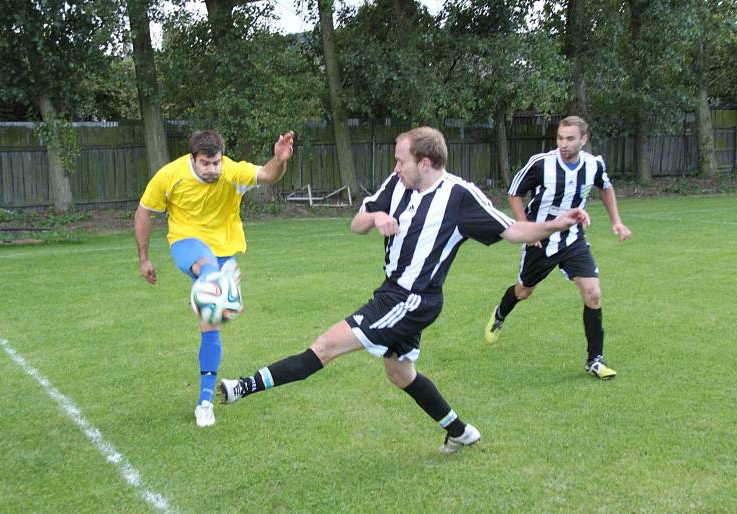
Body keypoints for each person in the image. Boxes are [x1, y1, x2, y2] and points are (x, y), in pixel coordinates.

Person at [217, 127, 590, 453]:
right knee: (399, 373)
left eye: (401, 160)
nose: (396, 167)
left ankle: (242, 387)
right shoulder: (398, 183)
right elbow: (356, 224)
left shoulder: (460, 197)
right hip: (393, 291)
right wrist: (377, 216)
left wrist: (557, 224)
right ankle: (461, 432)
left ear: (425, 162)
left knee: (326, 346)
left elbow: (514, 231)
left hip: (412, 300)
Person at [134, 129, 295, 428]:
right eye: (206, 164)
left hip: (224, 248)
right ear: (192, 159)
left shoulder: (231, 172)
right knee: (208, 270)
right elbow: (144, 212)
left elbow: (268, 175)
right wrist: (144, 258)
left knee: (211, 328)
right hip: (187, 242)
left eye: (216, 163)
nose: (212, 169)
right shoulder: (170, 176)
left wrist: (279, 159)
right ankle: (215, 288)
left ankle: (205, 402)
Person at [484, 115, 631, 380]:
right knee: (525, 290)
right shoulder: (541, 164)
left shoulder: (593, 164)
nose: (563, 144)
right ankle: (500, 312)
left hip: (573, 238)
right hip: (540, 238)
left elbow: (605, 188)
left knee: (593, 293)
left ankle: (595, 359)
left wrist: (617, 222)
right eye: (560, 138)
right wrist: (527, 228)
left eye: (570, 139)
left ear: (583, 140)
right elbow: (514, 193)